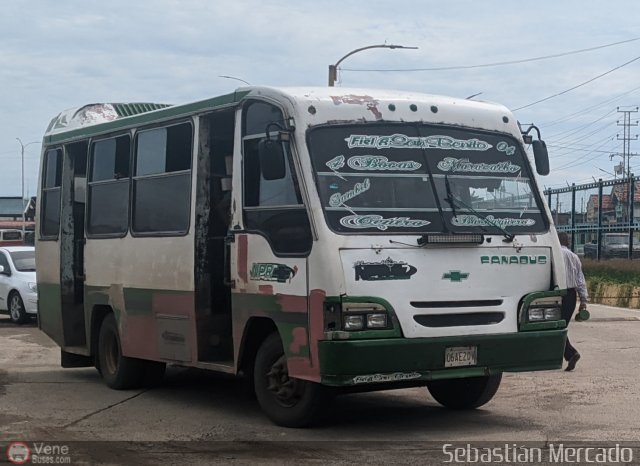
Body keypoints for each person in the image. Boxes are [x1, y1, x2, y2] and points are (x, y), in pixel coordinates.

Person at [558, 232, 589, 371]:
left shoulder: (554, 254)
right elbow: (580, 280)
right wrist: (583, 300)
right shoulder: (574, 257)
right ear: (568, 242)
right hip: (571, 295)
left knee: (555, 327)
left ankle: (571, 354)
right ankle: (569, 354)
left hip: (555, 293)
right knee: (561, 326)